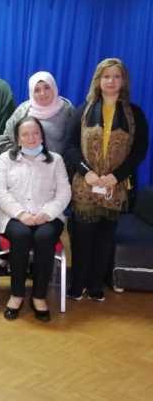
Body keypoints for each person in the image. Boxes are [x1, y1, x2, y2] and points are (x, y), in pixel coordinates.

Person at [65, 58, 149, 302]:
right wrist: (87, 172)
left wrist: (116, 176)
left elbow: (140, 150)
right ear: (98, 80)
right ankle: (78, 283)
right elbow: (70, 146)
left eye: (116, 76)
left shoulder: (135, 114)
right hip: (85, 185)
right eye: (106, 76)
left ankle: (96, 283)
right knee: (82, 237)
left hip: (116, 187)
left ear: (123, 81)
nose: (111, 81)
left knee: (105, 238)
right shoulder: (83, 111)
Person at [0, 116, 72, 322]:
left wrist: (46, 213)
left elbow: (64, 192)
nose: (31, 138)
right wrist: (21, 214)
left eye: (35, 133)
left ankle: (39, 296)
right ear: (18, 138)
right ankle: (16, 294)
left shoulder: (55, 160)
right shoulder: (6, 159)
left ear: (42, 136)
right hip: (13, 216)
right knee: (21, 236)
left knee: (44, 238)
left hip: (48, 215)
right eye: (25, 134)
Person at [0, 71, 75, 155]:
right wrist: (22, 157)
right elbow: (3, 142)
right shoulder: (23, 111)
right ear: (31, 92)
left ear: (53, 87)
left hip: (59, 162)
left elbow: (74, 142)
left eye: (47, 88)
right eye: (37, 90)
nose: (42, 93)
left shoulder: (66, 109)